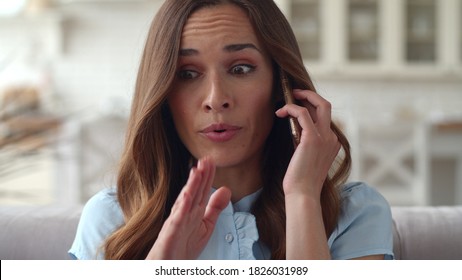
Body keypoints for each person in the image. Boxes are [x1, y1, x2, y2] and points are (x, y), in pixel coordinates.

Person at [69, 0, 394, 260]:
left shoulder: (356, 212)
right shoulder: (113, 219)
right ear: (163, 94)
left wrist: (303, 198)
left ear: (281, 85)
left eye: (240, 68)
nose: (215, 99)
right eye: (187, 74)